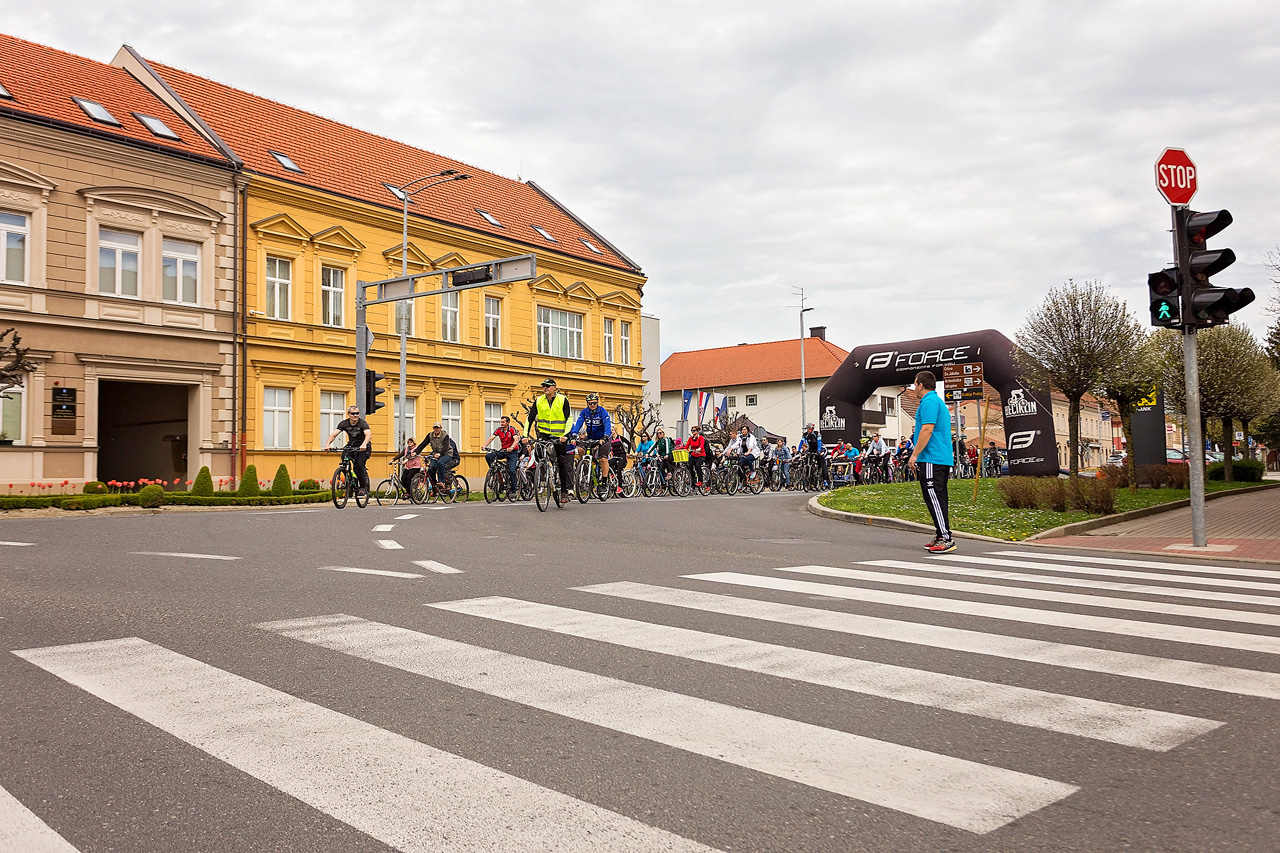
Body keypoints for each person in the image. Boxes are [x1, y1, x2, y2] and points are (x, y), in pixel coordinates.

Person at [908, 370, 956, 553]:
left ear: (921, 384)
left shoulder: (928, 402)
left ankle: (945, 537)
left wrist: (914, 455)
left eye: (915, 384)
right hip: (940, 457)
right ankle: (940, 534)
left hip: (931, 458)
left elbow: (927, 429)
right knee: (939, 497)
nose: (914, 388)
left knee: (933, 496)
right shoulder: (938, 401)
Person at [528, 378, 574, 503]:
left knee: (561, 462)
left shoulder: (562, 400)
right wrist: (525, 435)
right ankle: (543, 473)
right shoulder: (539, 401)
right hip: (544, 434)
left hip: (560, 435)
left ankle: (564, 491)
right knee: (538, 452)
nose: (545, 388)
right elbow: (530, 418)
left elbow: (569, 418)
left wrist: (565, 434)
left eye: (548, 386)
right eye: (543, 386)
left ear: (554, 388)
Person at [325, 404, 372, 495]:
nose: (355, 415)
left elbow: (368, 435)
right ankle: (349, 475)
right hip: (352, 445)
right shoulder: (344, 423)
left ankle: (362, 487)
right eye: (353, 413)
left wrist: (364, 444)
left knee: (359, 464)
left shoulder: (362, 423)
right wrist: (327, 444)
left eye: (357, 413)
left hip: (363, 446)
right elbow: (334, 434)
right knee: (344, 457)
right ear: (348, 414)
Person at [411, 422, 460, 494]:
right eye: (435, 428)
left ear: (440, 428)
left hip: (447, 453)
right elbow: (423, 444)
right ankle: (435, 488)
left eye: (438, 428)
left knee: (440, 463)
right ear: (433, 428)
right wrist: (416, 452)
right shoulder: (430, 435)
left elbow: (446, 447)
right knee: (430, 468)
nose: (436, 429)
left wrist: (440, 453)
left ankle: (442, 482)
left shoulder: (445, 436)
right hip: (436, 454)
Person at [483, 414, 521, 490]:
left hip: (512, 452)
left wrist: (512, 447)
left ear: (507, 423)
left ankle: (513, 490)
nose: (501, 424)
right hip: (503, 450)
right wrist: (485, 445)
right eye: (501, 422)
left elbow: (516, 440)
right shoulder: (499, 430)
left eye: (503, 422)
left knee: (512, 471)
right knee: (489, 456)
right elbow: (491, 438)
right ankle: (494, 471)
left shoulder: (512, 429)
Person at [607, 428, 631, 494]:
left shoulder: (620, 438)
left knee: (619, 469)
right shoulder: (610, 440)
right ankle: (613, 474)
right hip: (615, 456)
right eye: (610, 431)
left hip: (622, 456)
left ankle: (620, 487)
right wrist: (609, 452)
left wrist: (628, 452)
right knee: (607, 464)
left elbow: (629, 443)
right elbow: (609, 448)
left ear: (615, 431)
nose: (612, 432)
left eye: (613, 430)